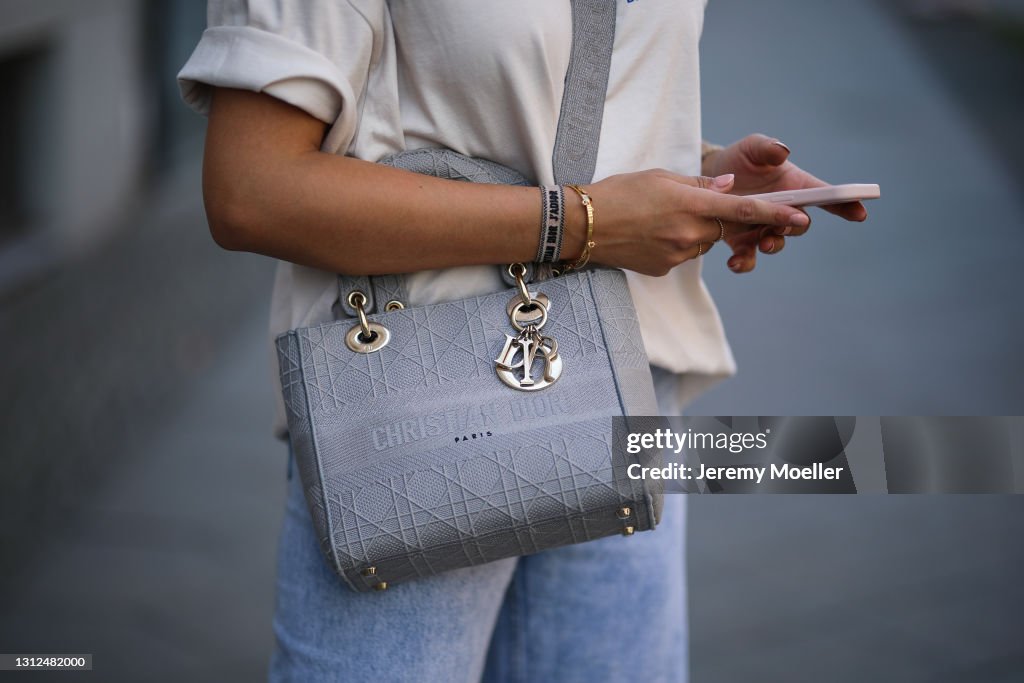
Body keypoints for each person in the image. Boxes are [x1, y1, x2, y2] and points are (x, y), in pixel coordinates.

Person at [179, 1, 867, 680]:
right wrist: (584, 223)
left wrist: (703, 179)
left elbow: (523, 108)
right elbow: (251, 188)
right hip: (415, 402)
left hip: (624, 379)